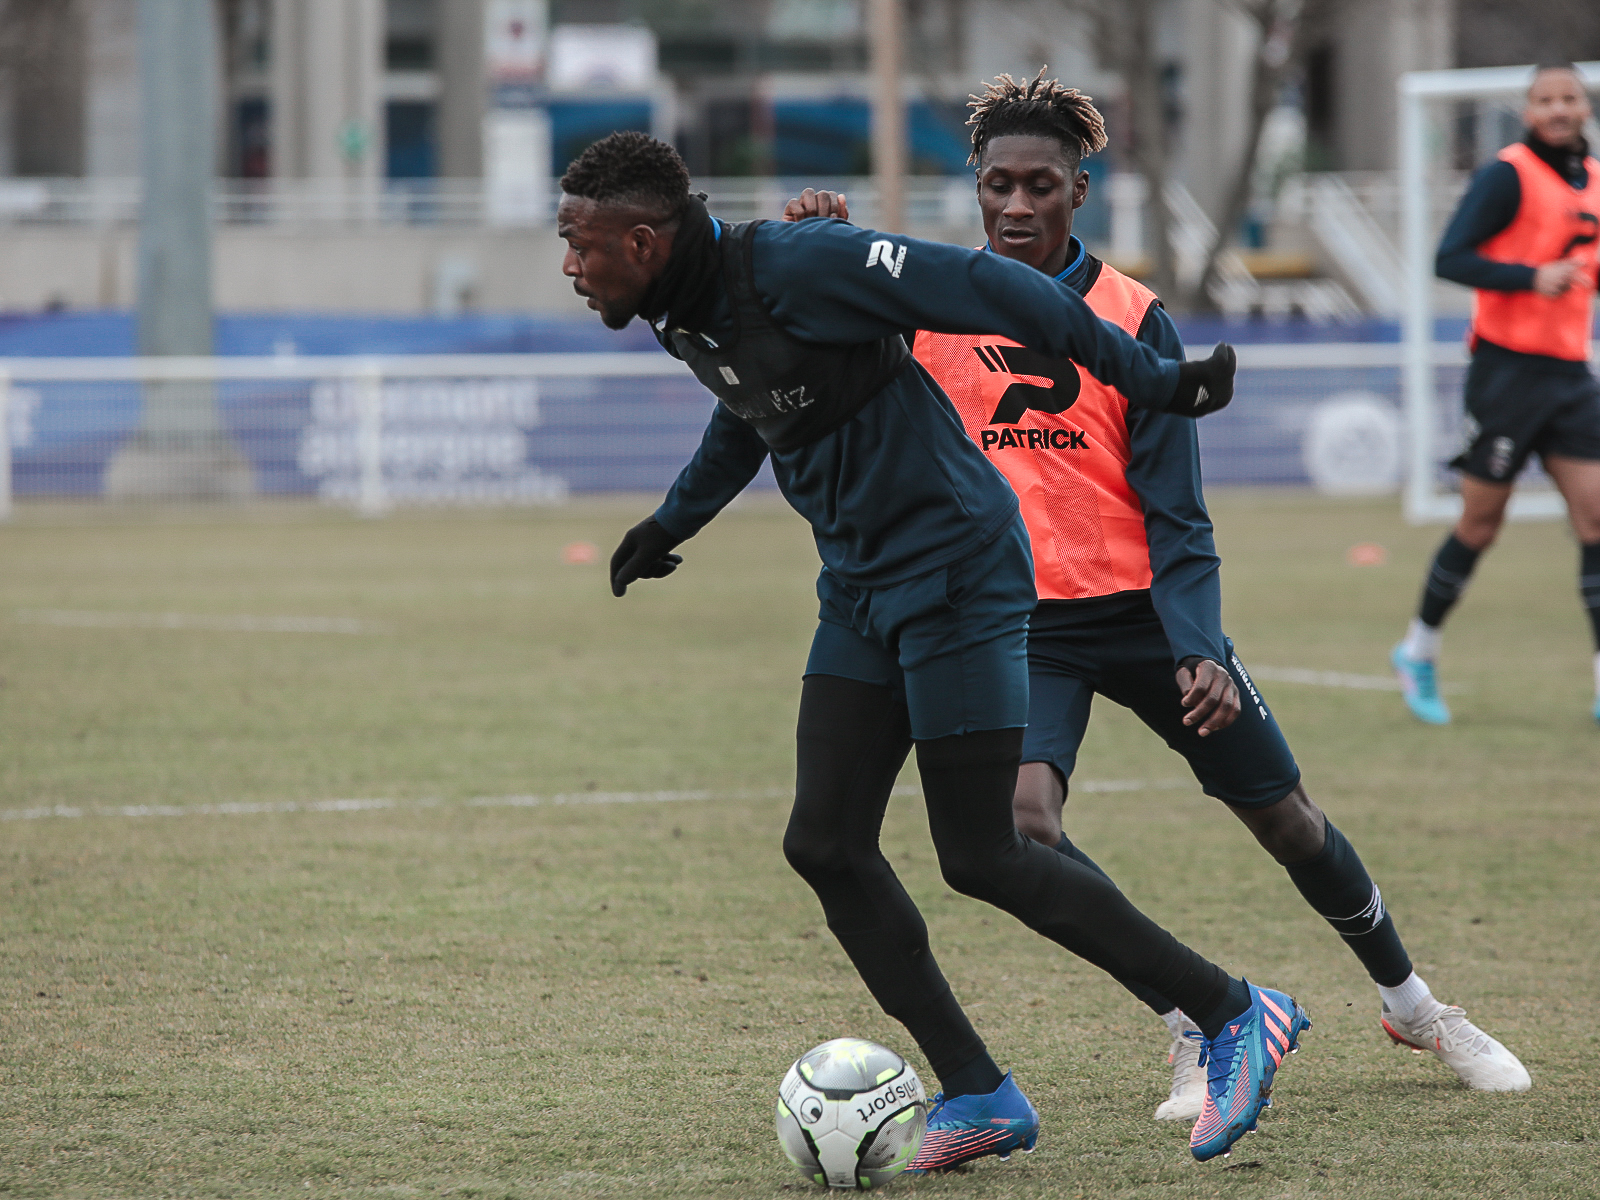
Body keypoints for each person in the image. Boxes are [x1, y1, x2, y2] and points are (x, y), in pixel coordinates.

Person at [782, 70, 1531, 1137]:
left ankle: (1412, 1004)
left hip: (1143, 615)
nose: (1016, 207)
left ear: (1079, 189)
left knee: (1285, 820)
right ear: (977, 187)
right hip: (1017, 623)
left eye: (1041, 184)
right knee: (1018, 824)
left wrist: (1199, 651)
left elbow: (1178, 517)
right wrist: (823, 230)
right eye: (998, 184)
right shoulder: (928, 308)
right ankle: (1191, 1013)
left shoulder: (1135, 319)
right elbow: (821, 322)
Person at [559, 129, 1302, 1170]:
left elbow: (1001, 293)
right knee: (822, 843)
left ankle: (1232, 1013)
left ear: (640, 240)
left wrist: (1155, 378)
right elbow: (753, 406)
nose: (569, 264)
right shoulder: (682, 306)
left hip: (956, 567)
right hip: (861, 585)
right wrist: (672, 523)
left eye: (578, 244)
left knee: (984, 853)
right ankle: (980, 1093)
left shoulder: (797, 262)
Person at [1391, 62, 1600, 725]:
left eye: (1569, 97)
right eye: (1546, 99)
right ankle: (1418, 650)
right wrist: (1528, 277)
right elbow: (1449, 258)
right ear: (1528, 111)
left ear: (1584, 106)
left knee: (1596, 520)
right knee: (1481, 524)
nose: (1560, 108)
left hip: (1569, 375)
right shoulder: (1507, 174)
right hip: (1506, 374)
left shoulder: (1594, 181)